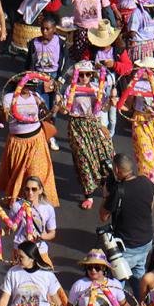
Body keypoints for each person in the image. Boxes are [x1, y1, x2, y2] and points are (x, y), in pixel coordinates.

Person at [56, 60, 115, 208]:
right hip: (77, 125)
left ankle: (106, 186)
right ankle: (88, 195)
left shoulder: (97, 87)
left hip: (94, 123)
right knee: (83, 159)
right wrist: (59, 103)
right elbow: (65, 110)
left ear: (91, 75)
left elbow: (104, 108)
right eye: (81, 75)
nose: (84, 77)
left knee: (105, 154)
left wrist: (112, 101)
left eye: (87, 74)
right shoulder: (71, 88)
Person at [99, 153, 154, 291]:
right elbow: (151, 206)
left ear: (117, 170)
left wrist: (106, 195)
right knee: (139, 276)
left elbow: (103, 216)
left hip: (126, 247)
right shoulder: (146, 182)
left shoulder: (119, 191)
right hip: (146, 241)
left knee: (117, 284)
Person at [0, 75, 57, 204]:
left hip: (36, 140)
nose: (28, 89)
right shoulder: (8, 98)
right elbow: (2, 120)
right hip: (18, 143)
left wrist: (51, 108)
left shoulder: (35, 96)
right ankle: (19, 201)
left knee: (35, 172)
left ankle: (38, 201)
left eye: (30, 86)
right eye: (25, 85)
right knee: (18, 174)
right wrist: (3, 112)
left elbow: (45, 115)